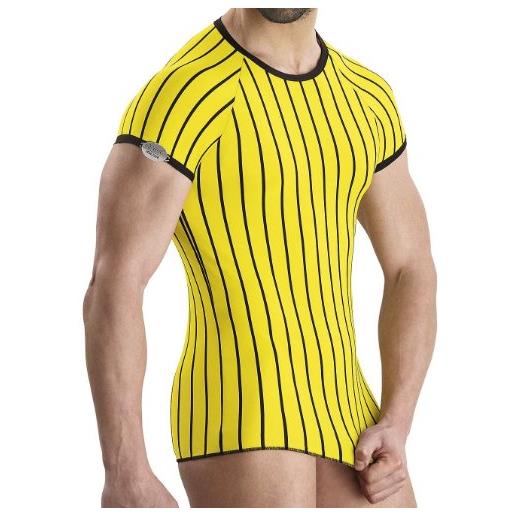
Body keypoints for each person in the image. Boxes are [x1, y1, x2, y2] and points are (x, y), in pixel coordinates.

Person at [83, 7, 436, 508]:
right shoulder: (183, 95)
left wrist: (397, 419)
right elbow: (115, 280)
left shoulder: (366, 99)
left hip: (351, 415)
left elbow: (409, 267)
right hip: (238, 409)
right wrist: (125, 472)